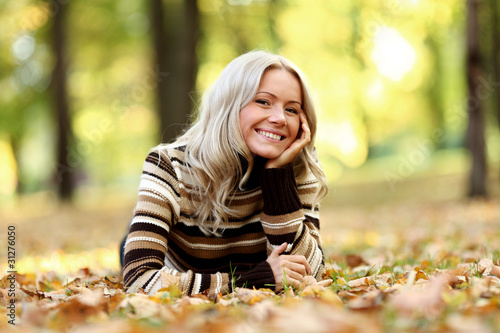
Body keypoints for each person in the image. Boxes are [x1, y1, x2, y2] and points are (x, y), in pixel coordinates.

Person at [122, 50, 330, 298]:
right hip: (173, 260)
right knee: (130, 246)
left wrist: (277, 178)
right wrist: (252, 281)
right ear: (229, 105)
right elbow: (140, 280)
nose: (279, 118)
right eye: (263, 101)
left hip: (203, 278)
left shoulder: (296, 167)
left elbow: (308, 274)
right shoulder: (168, 164)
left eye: (292, 109)